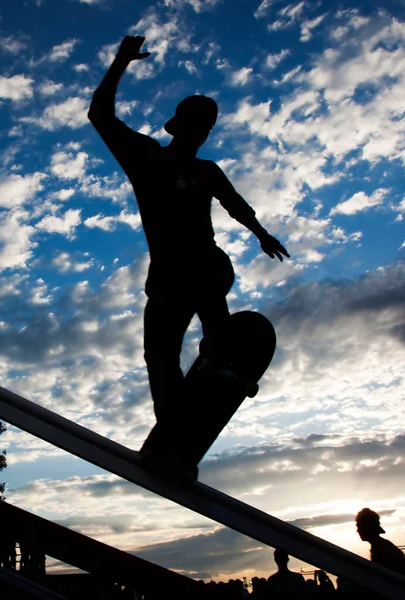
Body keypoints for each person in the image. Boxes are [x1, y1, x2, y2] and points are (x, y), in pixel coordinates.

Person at [88, 36, 289, 473]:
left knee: (204, 267)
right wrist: (120, 61)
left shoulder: (207, 170)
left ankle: (220, 349)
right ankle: (178, 436)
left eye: (207, 130)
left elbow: (234, 202)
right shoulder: (144, 157)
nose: (201, 136)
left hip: (207, 267)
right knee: (158, 357)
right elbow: (100, 115)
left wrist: (261, 233)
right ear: (179, 128)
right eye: (196, 127)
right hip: (167, 279)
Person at [355, 508, 405, 580]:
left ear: (368, 527)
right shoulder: (382, 546)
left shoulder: (381, 549)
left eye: (359, 526)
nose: (357, 531)